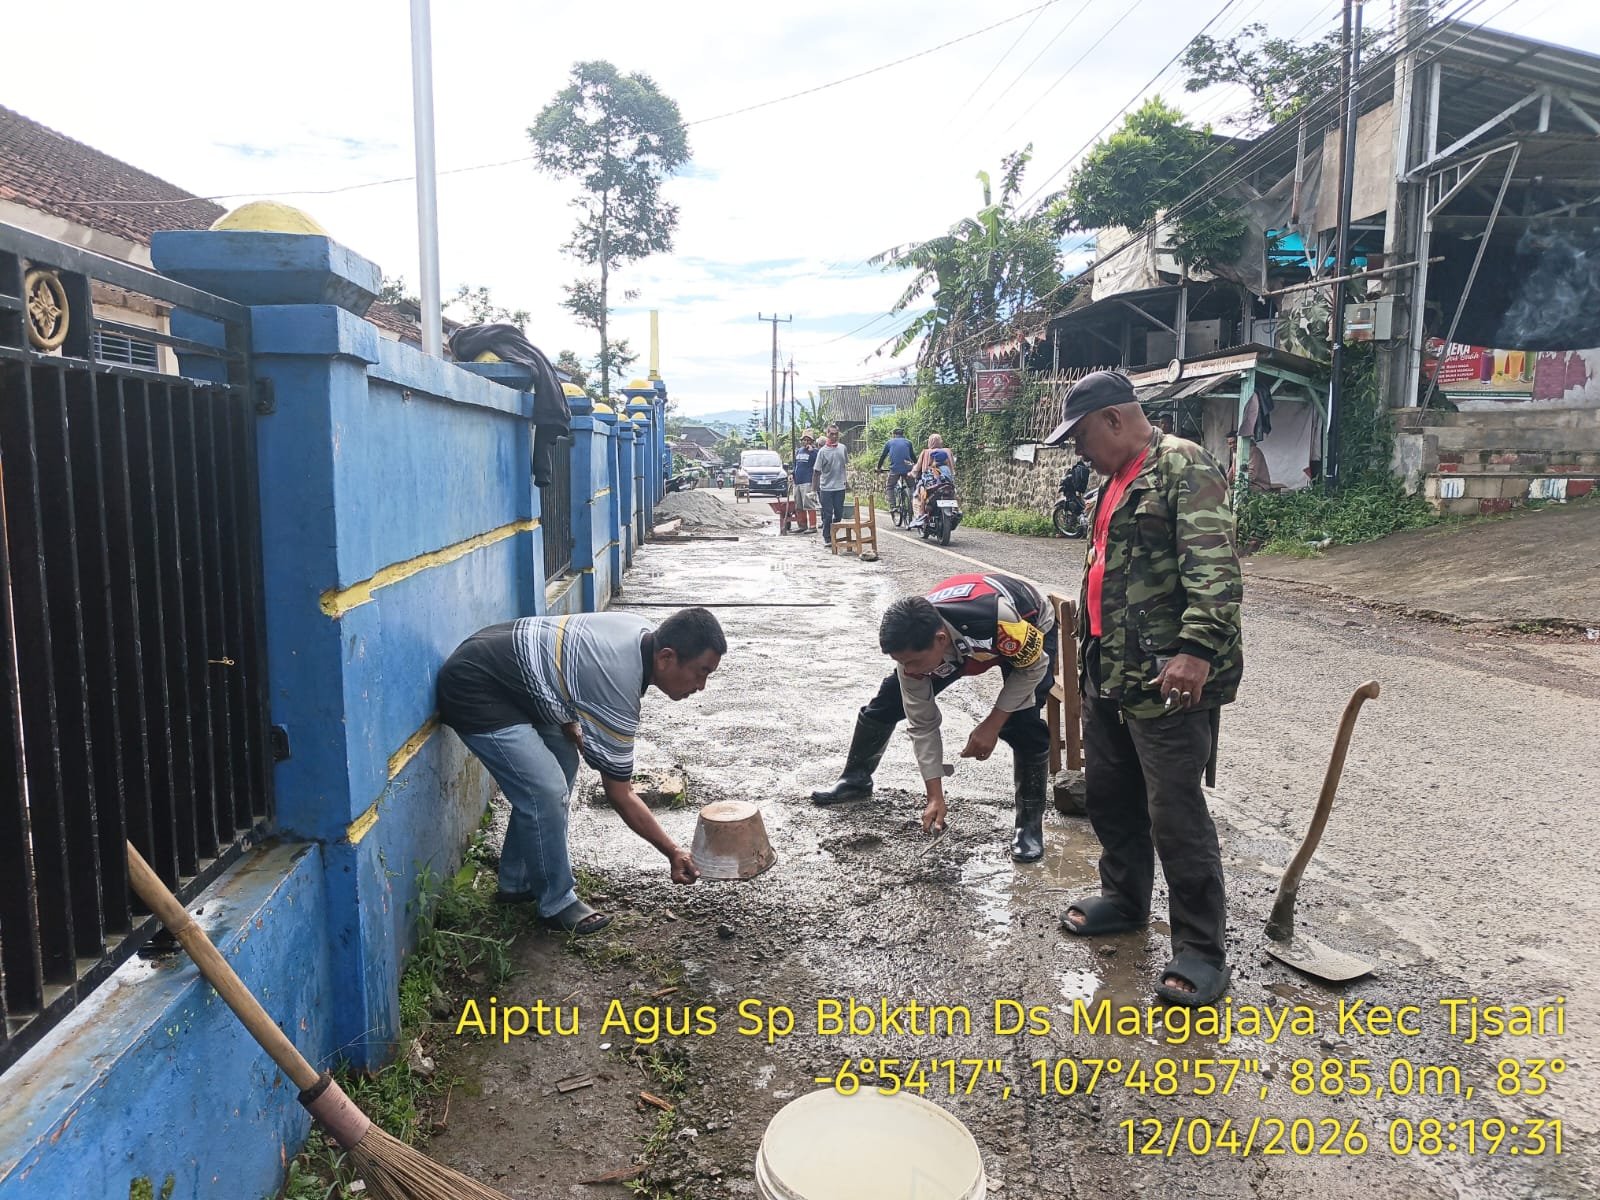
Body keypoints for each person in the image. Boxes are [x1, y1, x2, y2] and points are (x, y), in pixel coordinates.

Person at [1049, 370, 1242, 1009]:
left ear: (1112, 420)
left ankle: (1200, 950)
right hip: (1111, 670)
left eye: (1078, 437)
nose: (1077, 451)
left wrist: (1195, 651)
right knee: (1111, 795)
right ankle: (1126, 900)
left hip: (1168, 676)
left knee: (1175, 814)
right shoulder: (1113, 481)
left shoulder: (1182, 465)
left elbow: (1214, 568)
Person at [436, 608, 726, 935]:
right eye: (701, 672)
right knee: (545, 790)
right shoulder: (619, 678)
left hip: (502, 665)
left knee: (563, 759)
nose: (701, 686)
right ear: (666, 657)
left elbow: (567, 662)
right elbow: (620, 793)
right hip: (474, 685)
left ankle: (517, 880)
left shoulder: (641, 633)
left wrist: (570, 722)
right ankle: (556, 902)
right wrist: (673, 852)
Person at [810, 573, 1056, 863]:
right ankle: (855, 779)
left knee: (1022, 724)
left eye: (912, 661)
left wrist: (991, 724)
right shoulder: (916, 651)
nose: (908, 668)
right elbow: (923, 723)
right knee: (888, 701)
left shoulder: (1001, 623)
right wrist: (935, 795)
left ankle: (1028, 828)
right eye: (901, 662)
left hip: (1028, 627)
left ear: (940, 640)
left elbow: (1032, 668)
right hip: (959, 643)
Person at [813, 424, 850, 547]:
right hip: (826, 488)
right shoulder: (822, 452)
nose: (834, 436)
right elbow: (816, 472)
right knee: (827, 514)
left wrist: (846, 481)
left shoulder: (842, 448)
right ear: (827, 434)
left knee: (838, 514)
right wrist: (814, 490)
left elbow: (844, 465)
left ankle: (832, 529)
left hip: (840, 486)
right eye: (831, 434)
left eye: (836, 434)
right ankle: (827, 537)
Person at [910, 434, 956, 526]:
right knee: (954, 493)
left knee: (918, 495)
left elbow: (917, 468)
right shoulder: (948, 451)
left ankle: (920, 515)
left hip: (931, 485)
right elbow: (953, 466)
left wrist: (911, 474)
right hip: (948, 483)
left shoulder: (925, 452)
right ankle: (956, 510)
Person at [876, 425, 917, 508]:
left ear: (893, 435)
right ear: (903, 435)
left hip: (895, 469)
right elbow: (913, 456)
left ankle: (893, 506)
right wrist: (916, 465)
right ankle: (913, 504)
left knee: (890, 487)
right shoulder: (908, 442)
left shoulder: (889, 443)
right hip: (908, 469)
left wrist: (879, 468)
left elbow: (883, 456)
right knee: (912, 486)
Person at [789, 432, 820, 534]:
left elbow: (818, 463)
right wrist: (792, 474)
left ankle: (812, 526)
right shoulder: (798, 451)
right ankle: (802, 525)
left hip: (808, 481)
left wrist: (812, 451)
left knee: (809, 504)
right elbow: (795, 465)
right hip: (797, 481)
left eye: (808, 440)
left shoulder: (815, 452)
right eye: (804, 440)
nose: (806, 442)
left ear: (812, 441)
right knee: (798, 504)